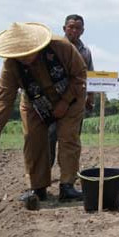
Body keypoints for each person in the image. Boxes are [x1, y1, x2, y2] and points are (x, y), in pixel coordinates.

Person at [0, 22, 87, 208]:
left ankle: (67, 186)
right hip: (34, 101)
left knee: (67, 137)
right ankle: (37, 188)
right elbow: (4, 99)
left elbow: (80, 75)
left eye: (28, 53)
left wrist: (64, 102)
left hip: (71, 97)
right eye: (20, 56)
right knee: (32, 139)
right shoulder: (11, 65)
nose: (25, 59)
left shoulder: (62, 47)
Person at [48, 14, 94, 167]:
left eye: (78, 28)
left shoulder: (85, 51)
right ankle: (45, 174)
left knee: (71, 139)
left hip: (76, 102)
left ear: (83, 30)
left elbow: (90, 75)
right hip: (54, 101)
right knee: (49, 137)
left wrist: (90, 98)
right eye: (71, 27)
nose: (74, 30)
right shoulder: (53, 47)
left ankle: (67, 178)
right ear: (64, 28)